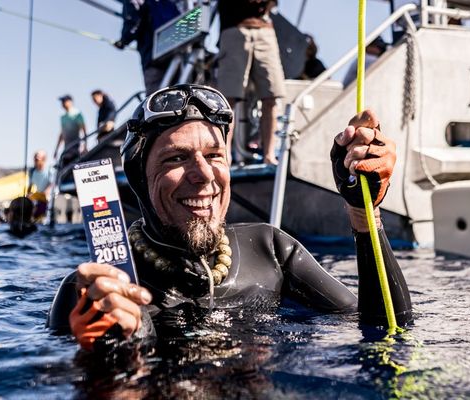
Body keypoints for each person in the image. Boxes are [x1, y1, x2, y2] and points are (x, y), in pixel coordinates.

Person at [47, 84, 412, 352]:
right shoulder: (94, 291)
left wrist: (364, 213)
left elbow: (387, 331)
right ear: (141, 180)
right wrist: (106, 357)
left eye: (214, 156)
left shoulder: (270, 247)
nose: (204, 175)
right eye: (176, 158)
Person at [217, 0, 286, 165]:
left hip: (265, 32)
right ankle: (225, 155)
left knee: (271, 97)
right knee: (228, 100)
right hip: (234, 30)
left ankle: (269, 155)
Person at [114, 0, 180, 95]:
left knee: (156, 99)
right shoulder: (166, 3)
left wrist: (123, 41)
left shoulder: (135, 2)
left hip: (153, 56)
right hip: (177, 51)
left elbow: (133, 22)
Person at [53, 95, 87, 168]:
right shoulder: (63, 117)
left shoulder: (77, 114)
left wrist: (85, 146)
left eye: (64, 101)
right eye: (62, 102)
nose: (63, 103)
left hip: (77, 147)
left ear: (70, 102)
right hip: (67, 148)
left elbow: (84, 130)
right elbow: (62, 134)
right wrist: (56, 149)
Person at [28, 150, 52, 221]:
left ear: (44, 160)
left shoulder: (49, 170)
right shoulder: (32, 171)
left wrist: (46, 193)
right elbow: (30, 185)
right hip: (39, 197)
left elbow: (52, 184)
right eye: (34, 159)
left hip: (48, 198)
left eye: (37, 159)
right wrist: (28, 195)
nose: (35, 161)